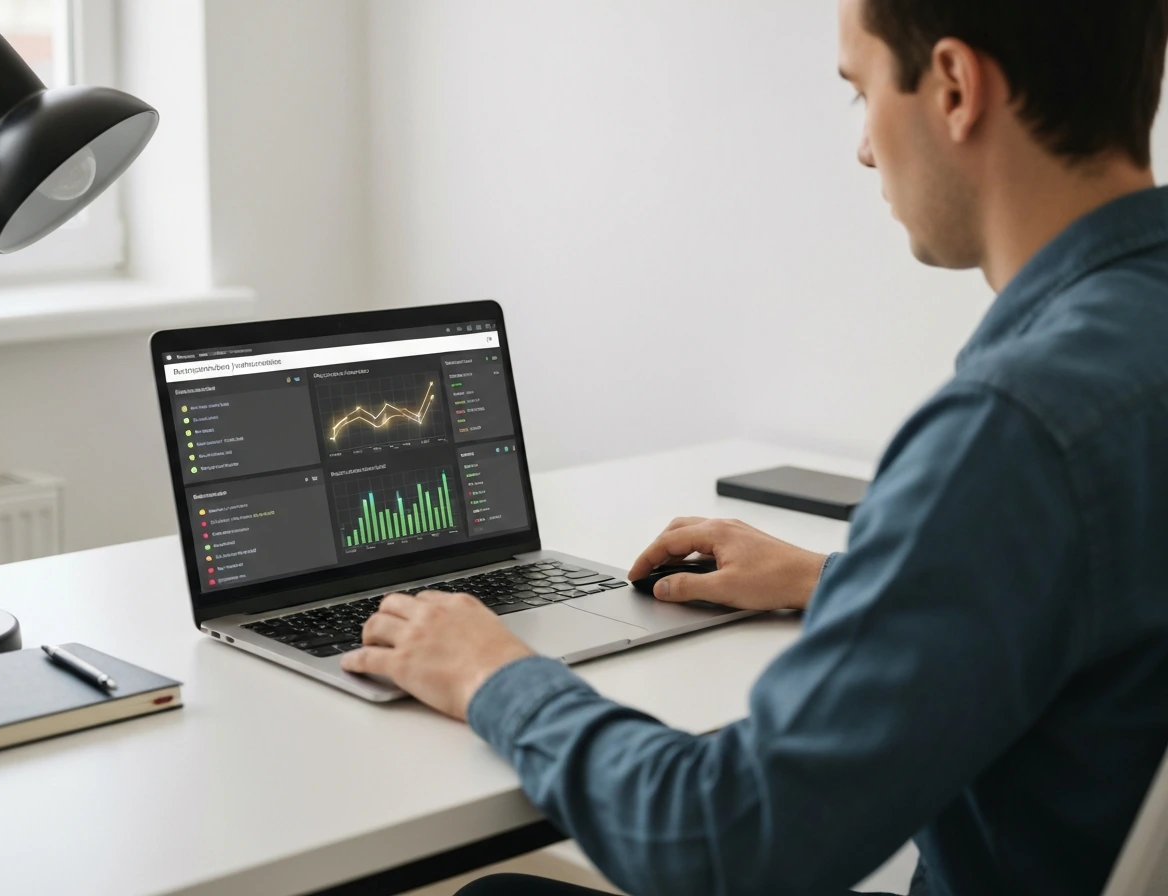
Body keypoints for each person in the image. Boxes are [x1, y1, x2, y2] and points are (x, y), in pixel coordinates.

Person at [339, 0, 1168, 892]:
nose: (862, 148)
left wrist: (496, 675)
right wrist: (838, 580)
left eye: (860, 92)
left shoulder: (1013, 429)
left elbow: (726, 841)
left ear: (956, 88)